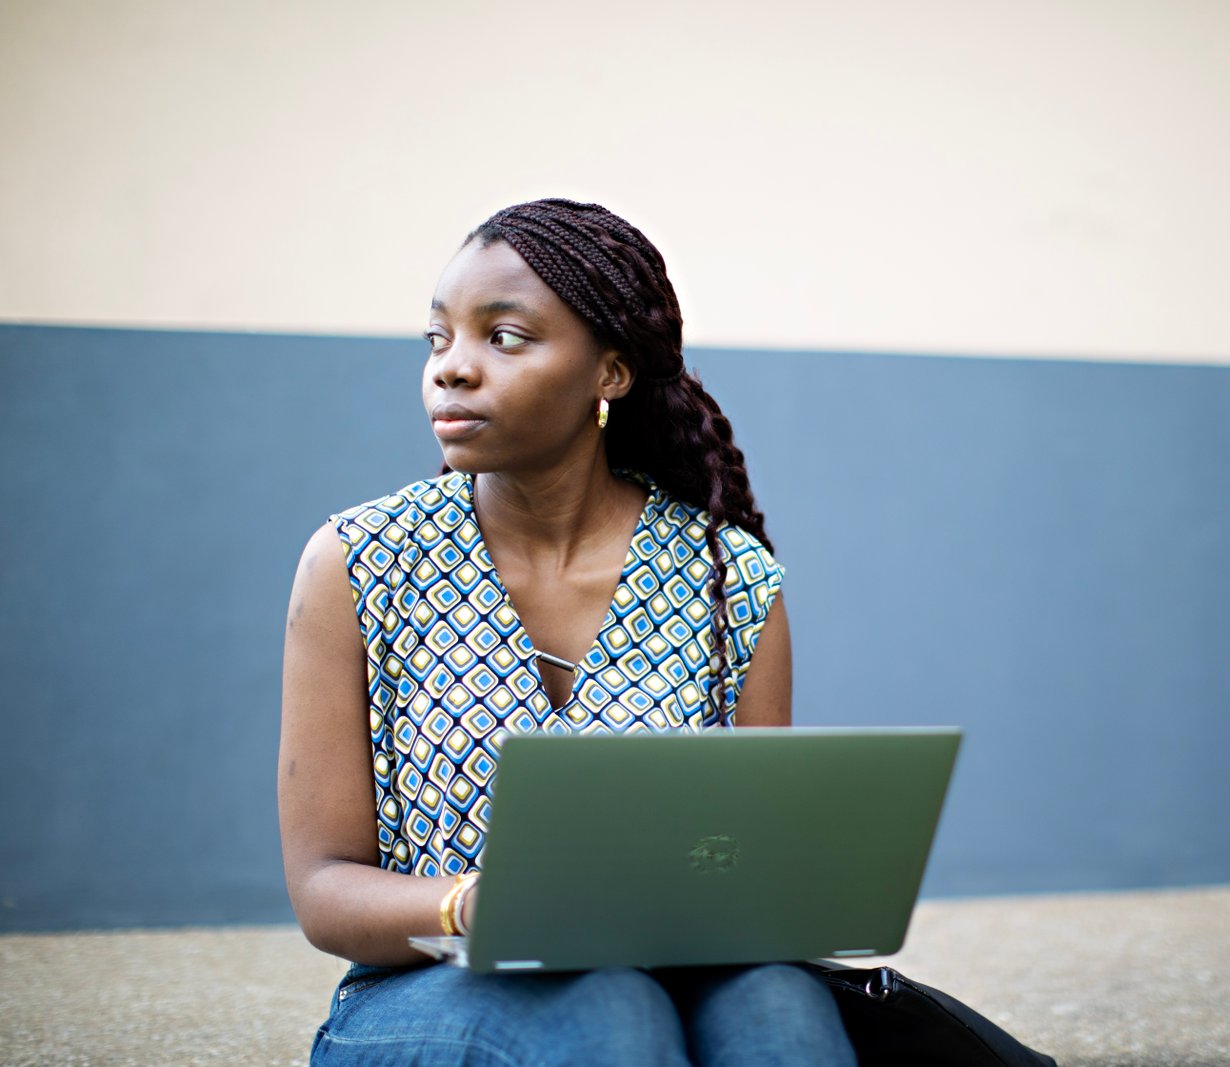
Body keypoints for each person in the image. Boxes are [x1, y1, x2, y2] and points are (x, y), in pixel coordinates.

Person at [278, 198, 857, 1066]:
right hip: (425, 992)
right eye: (438, 338)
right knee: (609, 1007)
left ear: (610, 373)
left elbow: (746, 868)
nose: (452, 368)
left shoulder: (728, 579)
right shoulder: (358, 562)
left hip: (670, 970)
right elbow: (324, 885)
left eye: (504, 337)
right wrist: (479, 904)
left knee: (780, 1004)